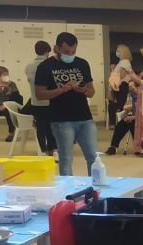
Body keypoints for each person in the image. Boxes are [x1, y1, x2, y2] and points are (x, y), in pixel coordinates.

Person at [35, 32, 97, 176]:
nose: (70, 54)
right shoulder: (46, 66)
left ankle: (95, 190)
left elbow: (91, 91)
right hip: (61, 120)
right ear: (56, 48)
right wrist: (61, 90)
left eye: (73, 51)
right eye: (66, 51)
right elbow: (39, 94)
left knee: (93, 157)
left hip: (84, 118)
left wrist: (81, 89)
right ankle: (67, 194)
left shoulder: (82, 63)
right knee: (66, 159)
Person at [24, 40, 56, 155]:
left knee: (40, 126)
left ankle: (42, 150)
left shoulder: (28, 67)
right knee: (51, 126)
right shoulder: (51, 65)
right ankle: (53, 149)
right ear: (48, 51)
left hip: (35, 101)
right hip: (50, 101)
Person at [108, 44, 134, 130]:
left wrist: (113, 70)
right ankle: (115, 122)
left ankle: (115, 123)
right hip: (119, 85)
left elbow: (122, 75)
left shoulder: (124, 62)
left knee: (118, 105)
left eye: (118, 51)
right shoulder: (122, 62)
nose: (117, 53)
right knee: (115, 104)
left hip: (122, 86)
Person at [107, 82, 137, 155]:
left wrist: (132, 117)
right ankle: (113, 147)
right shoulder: (128, 96)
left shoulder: (140, 94)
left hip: (138, 118)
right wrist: (125, 116)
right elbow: (126, 109)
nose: (130, 88)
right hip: (129, 116)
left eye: (131, 86)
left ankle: (138, 147)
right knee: (120, 126)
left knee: (133, 124)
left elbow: (140, 110)